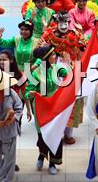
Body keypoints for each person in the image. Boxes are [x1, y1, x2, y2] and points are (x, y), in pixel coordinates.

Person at [25, 46, 69, 175]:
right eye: (52, 55)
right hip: (41, 108)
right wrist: (32, 93)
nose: (55, 57)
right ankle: (41, 155)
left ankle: (53, 162)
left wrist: (68, 66)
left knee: (55, 135)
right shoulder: (35, 73)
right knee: (43, 135)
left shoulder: (57, 69)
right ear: (45, 58)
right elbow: (27, 92)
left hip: (55, 107)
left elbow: (70, 77)